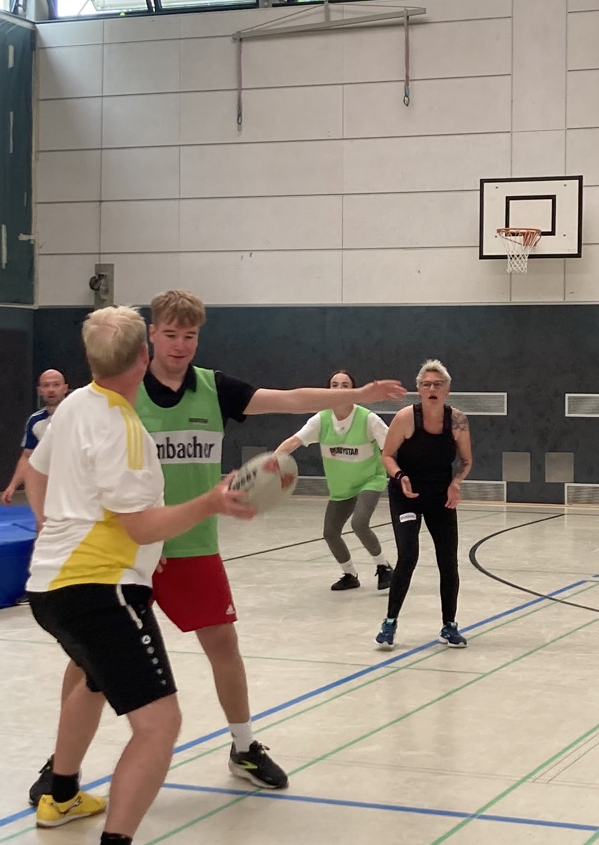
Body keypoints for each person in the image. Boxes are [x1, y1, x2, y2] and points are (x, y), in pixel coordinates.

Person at [20, 306, 254, 845]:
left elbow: (35, 472)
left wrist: (50, 528)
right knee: (159, 724)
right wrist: (210, 502)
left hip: (48, 586)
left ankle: (61, 795)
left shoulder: (72, 405)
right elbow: (142, 526)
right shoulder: (125, 431)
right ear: (144, 356)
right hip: (102, 589)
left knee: (94, 680)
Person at [128, 289, 403, 791]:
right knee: (94, 664)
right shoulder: (126, 390)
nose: (180, 345)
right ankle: (62, 766)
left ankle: (243, 747)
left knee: (224, 646)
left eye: (189, 336)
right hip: (133, 549)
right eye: (170, 334)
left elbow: (291, 399)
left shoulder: (213, 388)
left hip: (194, 545)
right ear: (151, 334)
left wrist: (359, 395)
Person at [375, 360, 472, 649]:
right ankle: (389, 623)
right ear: (418, 389)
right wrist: (400, 476)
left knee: (448, 560)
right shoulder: (406, 418)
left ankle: (449, 626)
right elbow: (387, 455)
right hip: (406, 494)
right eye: (426, 384)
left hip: (440, 496)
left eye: (437, 384)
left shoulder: (457, 420)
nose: (432, 389)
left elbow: (466, 461)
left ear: (447, 390)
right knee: (408, 556)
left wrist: (456, 482)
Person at [274, 372, 392, 592]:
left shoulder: (368, 419)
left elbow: (392, 448)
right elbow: (293, 442)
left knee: (359, 523)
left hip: (369, 480)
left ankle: (383, 567)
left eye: (345, 385)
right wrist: (272, 462)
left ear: (354, 391)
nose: (339, 388)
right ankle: (350, 575)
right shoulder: (321, 420)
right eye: (334, 385)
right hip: (341, 486)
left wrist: (403, 474)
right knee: (330, 532)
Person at [2, 368, 69, 506]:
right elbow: (27, 456)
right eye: (46, 385)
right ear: (40, 390)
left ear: (65, 388)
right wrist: (12, 486)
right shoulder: (35, 421)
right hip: (50, 487)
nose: (51, 390)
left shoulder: (79, 415)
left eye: (56, 385)